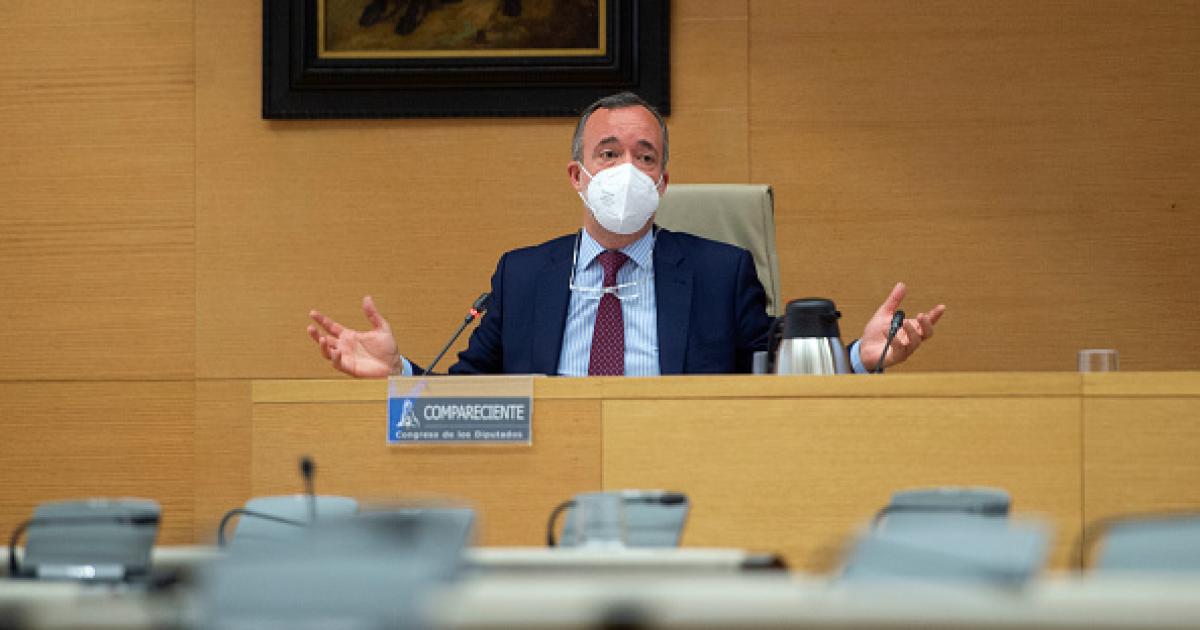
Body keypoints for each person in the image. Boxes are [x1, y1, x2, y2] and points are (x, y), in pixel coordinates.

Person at [308, 92, 945, 377]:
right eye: (608, 153)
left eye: (644, 157)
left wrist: (856, 360)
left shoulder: (722, 272)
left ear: (662, 183)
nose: (627, 169)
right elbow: (476, 396)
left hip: (689, 472)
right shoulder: (522, 275)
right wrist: (399, 370)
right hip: (546, 473)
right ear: (577, 175)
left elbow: (772, 375)